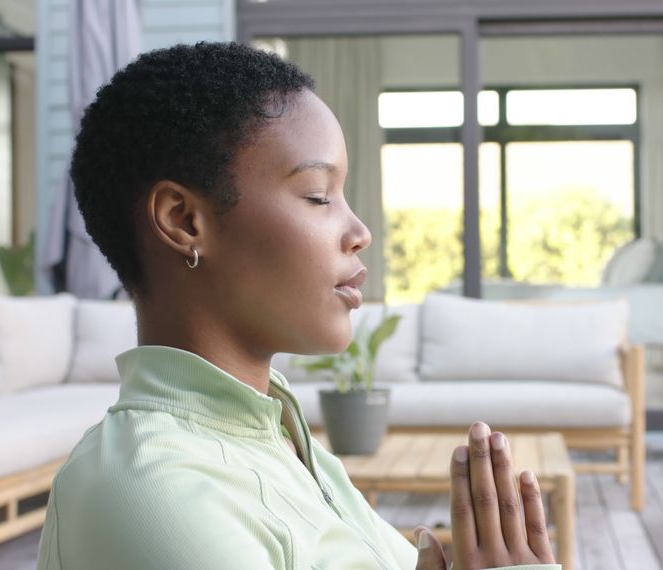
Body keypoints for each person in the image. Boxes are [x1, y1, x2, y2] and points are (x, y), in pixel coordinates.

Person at [36, 42, 560, 570]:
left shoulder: (284, 440)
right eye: (317, 195)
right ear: (184, 220)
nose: (359, 232)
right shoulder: (150, 495)